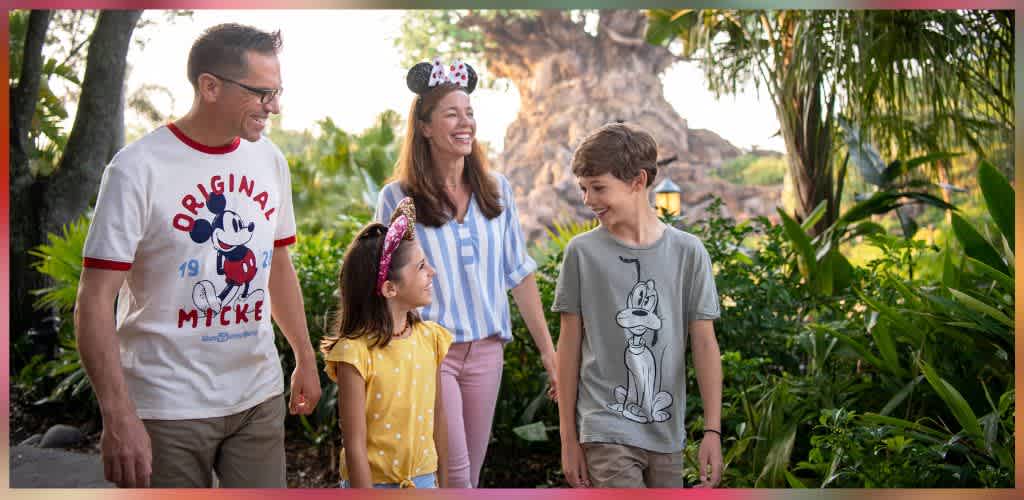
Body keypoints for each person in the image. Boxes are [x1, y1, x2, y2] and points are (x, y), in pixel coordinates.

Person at [75, 23, 321, 488]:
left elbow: (278, 268)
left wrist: (303, 356)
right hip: (167, 407)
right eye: (261, 93)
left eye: (277, 91)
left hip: (257, 395)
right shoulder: (136, 169)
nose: (273, 105)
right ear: (210, 86)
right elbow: (93, 298)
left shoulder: (270, 161)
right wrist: (118, 414)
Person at [374, 57, 558, 488]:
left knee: (468, 475)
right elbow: (385, 284)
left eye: (470, 113)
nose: (465, 122)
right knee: (454, 474)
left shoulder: (498, 191)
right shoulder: (397, 197)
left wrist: (551, 355)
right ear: (425, 127)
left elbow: (519, 274)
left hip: (488, 353)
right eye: (452, 113)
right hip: (430, 352)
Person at [553, 123, 723, 488]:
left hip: (667, 433)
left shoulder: (688, 253)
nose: (587, 200)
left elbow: (705, 344)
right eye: (584, 188)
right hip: (604, 426)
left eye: (598, 188)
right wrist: (569, 438)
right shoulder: (581, 254)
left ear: (637, 181)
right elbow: (567, 349)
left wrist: (713, 430)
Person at [322, 197, 452, 489]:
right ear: (390, 288)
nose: (432, 272)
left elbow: (439, 417)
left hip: (424, 482)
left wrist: (443, 483)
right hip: (371, 486)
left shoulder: (431, 339)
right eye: (421, 267)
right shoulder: (354, 354)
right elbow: (354, 445)